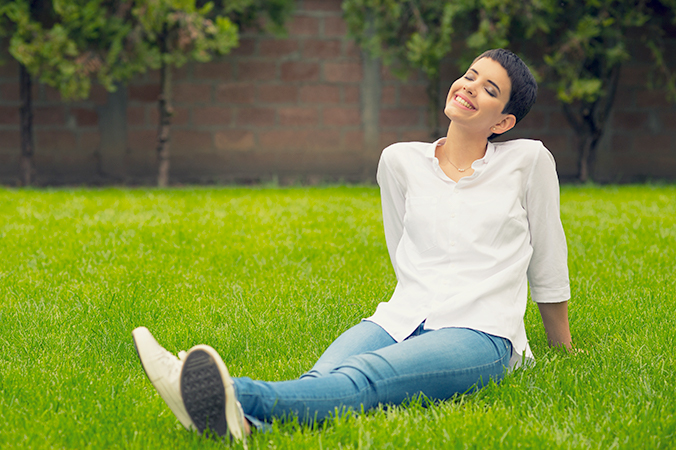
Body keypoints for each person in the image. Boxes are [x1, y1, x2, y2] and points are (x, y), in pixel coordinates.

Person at [132, 48, 572, 445]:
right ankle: (243, 424)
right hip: (403, 315)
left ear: (503, 122)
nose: (470, 88)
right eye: (470, 75)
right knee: (325, 376)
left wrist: (562, 348)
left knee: (367, 377)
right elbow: (404, 251)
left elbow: (548, 258)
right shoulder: (400, 161)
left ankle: (228, 391)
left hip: (480, 333)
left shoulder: (528, 160)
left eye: (489, 89)